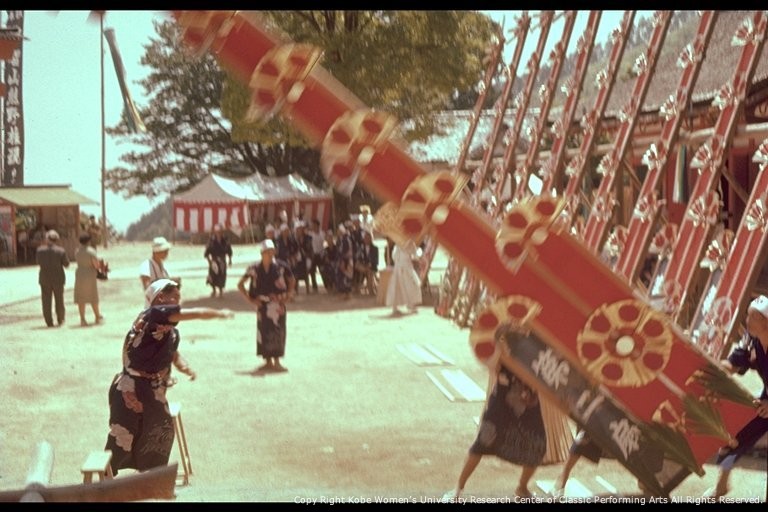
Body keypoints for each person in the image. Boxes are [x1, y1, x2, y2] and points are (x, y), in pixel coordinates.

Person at [104, 279, 234, 476]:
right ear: (160, 298)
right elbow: (196, 313)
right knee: (122, 437)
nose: (177, 302)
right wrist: (220, 313)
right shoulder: (153, 314)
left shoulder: (170, 331)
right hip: (130, 390)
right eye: (174, 297)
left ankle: (151, 478)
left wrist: (185, 367)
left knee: (160, 431)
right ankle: (104, 482)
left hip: (151, 392)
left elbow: (173, 354)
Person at [442, 326, 546, 501]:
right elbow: (490, 361)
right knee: (483, 441)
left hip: (529, 401)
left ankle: (522, 487)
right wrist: (500, 346)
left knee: (538, 444)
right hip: (502, 400)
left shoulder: (536, 344)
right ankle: (458, 489)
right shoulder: (500, 349)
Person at [706, 294, 768, 498]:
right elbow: (733, 364)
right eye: (747, 315)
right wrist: (711, 365)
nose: (747, 321)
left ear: (766, 322)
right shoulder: (752, 340)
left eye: (753, 317)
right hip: (765, 401)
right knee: (732, 437)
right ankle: (721, 486)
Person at [238, 239, 296, 372]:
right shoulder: (254, 268)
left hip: (278, 305)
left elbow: (292, 280)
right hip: (262, 305)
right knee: (263, 331)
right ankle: (268, 361)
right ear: (262, 253)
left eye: (272, 251)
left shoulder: (281, 266)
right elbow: (240, 284)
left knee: (278, 330)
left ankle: (277, 361)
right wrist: (250, 300)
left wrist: (288, 295)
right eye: (267, 252)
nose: (270, 254)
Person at [36, 229, 70, 328]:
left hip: (44, 278)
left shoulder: (40, 250)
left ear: (47, 239)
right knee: (59, 300)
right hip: (58, 278)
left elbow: (38, 262)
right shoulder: (61, 251)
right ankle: (60, 319)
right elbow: (66, 264)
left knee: (46, 301)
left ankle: (49, 321)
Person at [74, 233, 104, 326]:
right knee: (93, 296)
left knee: (81, 298)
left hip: (80, 273)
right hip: (89, 274)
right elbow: (96, 264)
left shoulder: (77, 251)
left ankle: (82, 319)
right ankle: (97, 316)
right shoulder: (91, 251)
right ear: (88, 241)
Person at [385, 238, 422, 314]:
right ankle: (409, 305)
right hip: (405, 267)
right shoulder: (410, 243)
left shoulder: (398, 244)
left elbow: (394, 256)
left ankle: (397, 306)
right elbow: (415, 256)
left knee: (398, 287)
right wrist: (419, 254)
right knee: (410, 286)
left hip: (399, 267)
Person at [139, 236, 173, 306]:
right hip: (153, 306)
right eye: (164, 251)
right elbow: (148, 290)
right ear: (156, 252)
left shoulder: (164, 266)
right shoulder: (146, 266)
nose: (167, 253)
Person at [204, 224, 233, 298]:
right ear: (215, 232)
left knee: (222, 276)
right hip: (214, 261)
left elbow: (229, 250)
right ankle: (214, 290)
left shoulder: (225, 240)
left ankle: (220, 291)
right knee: (212, 275)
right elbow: (207, 252)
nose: (219, 233)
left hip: (222, 261)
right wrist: (209, 262)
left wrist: (230, 260)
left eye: (220, 231)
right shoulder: (211, 240)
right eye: (217, 232)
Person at [354, 230, 379, 296]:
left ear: (371, 239)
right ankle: (359, 288)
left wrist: (370, 264)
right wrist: (363, 264)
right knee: (358, 266)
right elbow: (358, 257)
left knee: (369, 271)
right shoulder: (361, 248)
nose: (366, 239)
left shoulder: (375, 248)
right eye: (365, 238)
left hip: (371, 266)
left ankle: (370, 289)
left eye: (368, 238)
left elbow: (376, 260)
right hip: (363, 266)